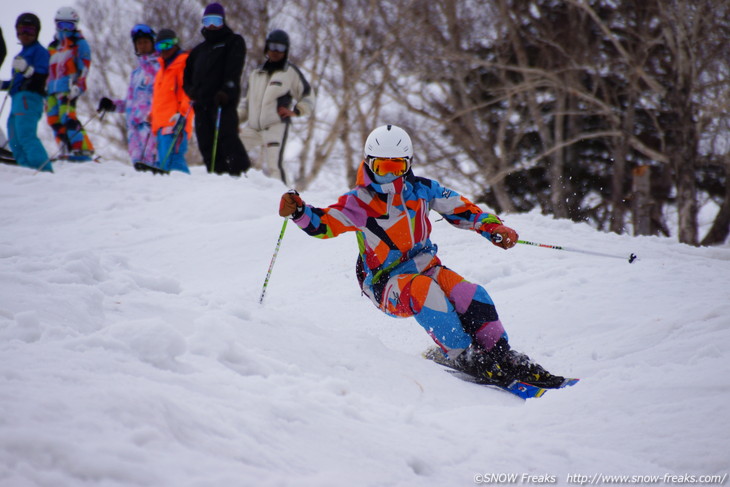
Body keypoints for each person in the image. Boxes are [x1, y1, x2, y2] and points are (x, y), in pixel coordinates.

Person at [278, 124, 566, 388]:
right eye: (381, 166)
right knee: (425, 291)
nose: (387, 174)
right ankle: (463, 355)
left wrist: (493, 228)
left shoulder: (422, 189)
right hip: (386, 283)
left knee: (472, 294)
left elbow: (460, 208)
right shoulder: (359, 202)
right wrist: (299, 212)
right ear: (368, 163)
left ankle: (501, 356)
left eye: (395, 166)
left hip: (426, 267)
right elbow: (324, 224)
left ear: (408, 165)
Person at [184, 3, 250, 177]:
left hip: (222, 102)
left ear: (223, 21)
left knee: (226, 138)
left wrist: (226, 91)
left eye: (216, 20)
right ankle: (217, 177)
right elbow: (187, 75)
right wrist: (191, 90)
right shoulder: (198, 51)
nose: (212, 25)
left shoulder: (233, 41)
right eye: (207, 21)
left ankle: (241, 175)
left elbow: (233, 70)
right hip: (202, 103)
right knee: (206, 142)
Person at [241, 29, 314, 185]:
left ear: (286, 51)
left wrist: (296, 111)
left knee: (275, 165)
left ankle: (287, 202)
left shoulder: (289, 72)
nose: (276, 51)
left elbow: (307, 95)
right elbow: (246, 103)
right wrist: (233, 119)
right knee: (232, 149)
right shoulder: (256, 74)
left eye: (280, 48)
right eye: (273, 46)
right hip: (254, 127)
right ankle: (235, 188)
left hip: (275, 125)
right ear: (267, 47)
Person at [97, 24, 159, 171]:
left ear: (153, 43)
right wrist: (113, 105)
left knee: (153, 170)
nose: (142, 46)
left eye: (145, 42)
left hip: (151, 128)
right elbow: (131, 104)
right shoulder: (136, 74)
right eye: (139, 43)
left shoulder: (159, 68)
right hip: (134, 132)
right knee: (139, 171)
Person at [0, 13, 51, 172]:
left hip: (29, 98)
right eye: (22, 30)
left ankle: (44, 171)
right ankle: (27, 170)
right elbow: (16, 82)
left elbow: (42, 77)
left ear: (37, 32)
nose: (25, 34)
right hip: (16, 98)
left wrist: (27, 70)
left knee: (26, 136)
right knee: (14, 138)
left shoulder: (40, 52)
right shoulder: (19, 55)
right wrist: (4, 84)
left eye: (29, 30)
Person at [46, 6, 95, 162]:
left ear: (75, 25)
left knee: (67, 116)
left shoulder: (79, 44)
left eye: (69, 25)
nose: (65, 30)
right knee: (53, 119)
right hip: (52, 89)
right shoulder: (53, 47)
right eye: (62, 25)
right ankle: (65, 147)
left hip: (68, 88)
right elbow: (48, 69)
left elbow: (85, 67)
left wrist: (79, 84)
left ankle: (82, 148)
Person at [148, 29, 193, 174]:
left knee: (174, 160)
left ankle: (188, 191)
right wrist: (153, 114)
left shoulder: (183, 64)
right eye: (160, 47)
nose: (164, 50)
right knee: (164, 163)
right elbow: (161, 98)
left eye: (168, 45)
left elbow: (189, 92)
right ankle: (171, 193)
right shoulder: (161, 70)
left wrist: (183, 114)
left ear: (176, 44)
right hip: (161, 125)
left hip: (175, 122)